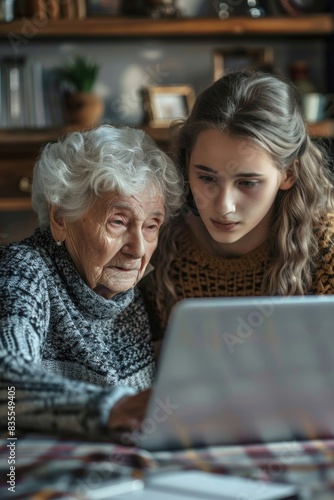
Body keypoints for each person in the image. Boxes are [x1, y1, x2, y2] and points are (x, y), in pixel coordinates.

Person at [0, 124, 184, 438]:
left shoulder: (138, 294)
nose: (138, 248)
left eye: (152, 226)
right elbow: (6, 380)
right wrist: (112, 408)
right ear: (60, 219)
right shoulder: (25, 270)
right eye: (118, 221)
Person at [140, 69, 334, 344]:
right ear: (185, 163)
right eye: (206, 178)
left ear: (289, 173)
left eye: (247, 183)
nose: (223, 206)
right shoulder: (155, 240)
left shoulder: (326, 248)